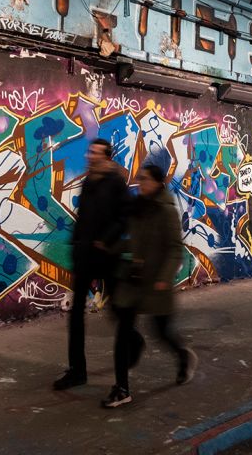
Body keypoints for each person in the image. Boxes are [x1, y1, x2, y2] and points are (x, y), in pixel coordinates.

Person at [104, 164, 198, 408]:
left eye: (145, 179)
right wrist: (109, 248)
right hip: (133, 280)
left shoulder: (166, 210)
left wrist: (165, 278)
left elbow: (175, 248)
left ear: (158, 182)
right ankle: (122, 388)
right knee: (123, 332)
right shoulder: (138, 207)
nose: (140, 183)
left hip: (156, 282)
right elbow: (133, 243)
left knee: (162, 333)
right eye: (139, 179)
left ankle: (182, 356)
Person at [54, 138, 131, 391]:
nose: (90, 156)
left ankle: (134, 343)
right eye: (90, 152)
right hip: (86, 256)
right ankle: (77, 371)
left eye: (96, 153)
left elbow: (124, 219)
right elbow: (83, 218)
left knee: (117, 311)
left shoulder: (116, 182)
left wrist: (104, 240)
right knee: (76, 314)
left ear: (107, 157)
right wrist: (77, 247)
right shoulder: (89, 181)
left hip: (107, 256)